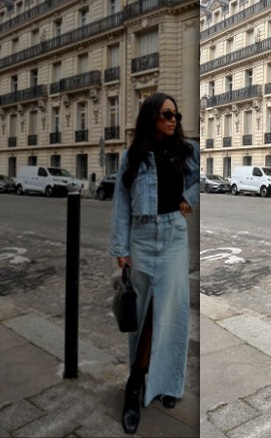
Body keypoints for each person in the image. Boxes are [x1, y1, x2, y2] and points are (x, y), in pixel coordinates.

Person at [109, 92, 199, 435]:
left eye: (175, 114)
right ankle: (135, 384)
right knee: (143, 314)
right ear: (151, 117)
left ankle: (168, 386)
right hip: (142, 237)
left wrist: (187, 198)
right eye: (166, 114)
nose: (173, 120)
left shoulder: (186, 151)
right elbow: (120, 202)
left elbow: (201, 178)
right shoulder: (132, 156)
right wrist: (121, 248)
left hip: (174, 235)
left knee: (173, 314)